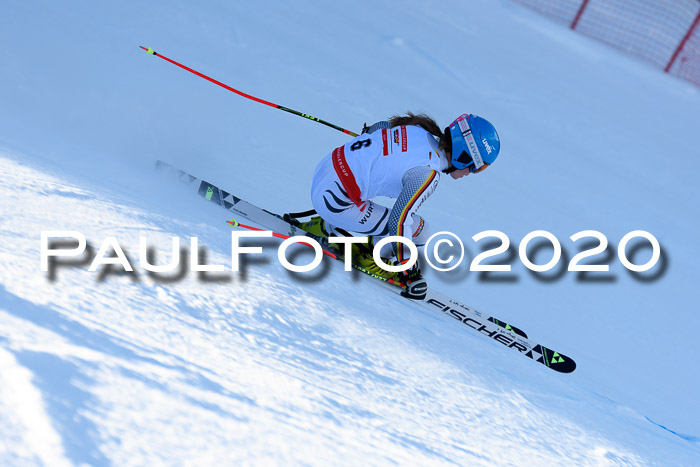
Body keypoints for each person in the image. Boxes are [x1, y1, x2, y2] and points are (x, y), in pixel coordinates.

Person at [297, 112, 500, 300]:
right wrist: (409, 270)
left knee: (406, 224)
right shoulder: (427, 173)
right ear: (464, 156)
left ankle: (329, 226)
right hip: (335, 200)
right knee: (420, 231)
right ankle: (367, 254)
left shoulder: (419, 130)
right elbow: (399, 220)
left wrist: (369, 138)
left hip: (325, 169)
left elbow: (381, 127)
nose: (471, 173)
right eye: (477, 166)